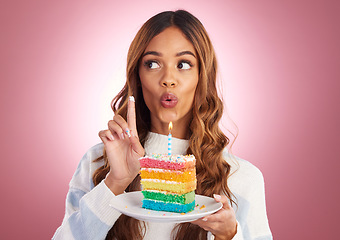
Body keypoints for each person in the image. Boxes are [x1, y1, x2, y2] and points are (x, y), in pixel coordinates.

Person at [53, 10, 272, 240]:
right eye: (153, 63)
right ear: (137, 75)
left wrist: (229, 236)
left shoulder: (242, 178)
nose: (168, 78)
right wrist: (115, 183)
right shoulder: (98, 163)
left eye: (184, 64)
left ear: (202, 76)